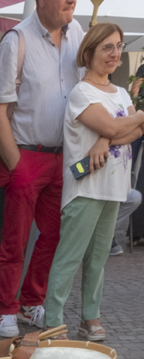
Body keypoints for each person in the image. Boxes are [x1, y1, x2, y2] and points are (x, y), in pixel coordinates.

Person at [0, 0, 87, 338]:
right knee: (16, 238)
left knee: (56, 235)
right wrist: (17, 165)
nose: (72, 1)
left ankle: (31, 301)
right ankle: (5, 309)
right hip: (26, 154)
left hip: (63, 158)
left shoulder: (78, 35)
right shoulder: (16, 39)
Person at [43, 24, 144, 341]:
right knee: (70, 258)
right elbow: (120, 127)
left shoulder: (122, 92)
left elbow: (134, 131)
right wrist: (119, 128)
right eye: (107, 48)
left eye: (118, 46)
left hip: (113, 188)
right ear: (89, 52)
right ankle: (53, 322)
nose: (115, 54)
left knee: (98, 260)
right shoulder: (81, 92)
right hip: (85, 188)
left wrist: (105, 138)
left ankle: (90, 318)